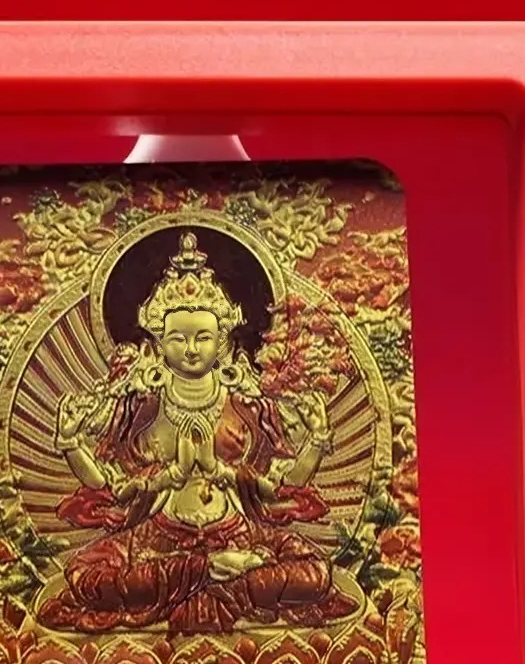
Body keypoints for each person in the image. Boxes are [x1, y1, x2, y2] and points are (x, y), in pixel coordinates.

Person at [38, 231, 356, 633]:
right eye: (179, 338)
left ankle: (195, 579)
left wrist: (315, 440)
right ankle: (207, 574)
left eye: (203, 337)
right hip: (159, 537)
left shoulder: (249, 402)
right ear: (158, 343)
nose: (191, 348)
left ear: (222, 341)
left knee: (314, 575)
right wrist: (71, 443)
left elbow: (281, 488)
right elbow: (111, 488)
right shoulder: (141, 404)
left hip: (237, 531)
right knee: (85, 576)